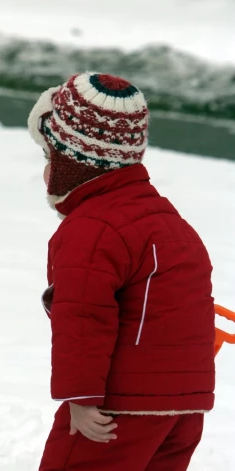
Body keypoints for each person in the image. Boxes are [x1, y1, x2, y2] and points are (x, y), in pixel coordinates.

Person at [28, 72, 216, 471]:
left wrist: (81, 398)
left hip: (117, 410)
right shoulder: (171, 223)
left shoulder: (93, 228)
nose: (45, 170)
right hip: (183, 410)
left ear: (74, 161)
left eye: (49, 156)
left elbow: (83, 316)